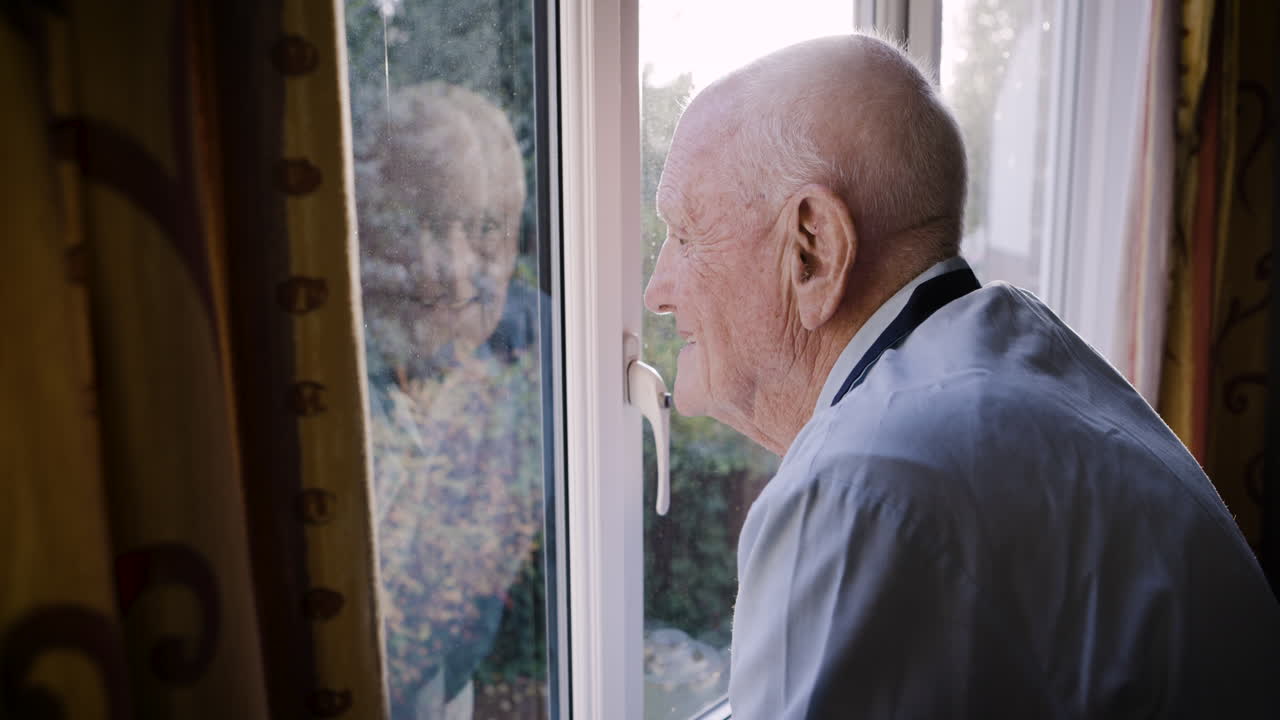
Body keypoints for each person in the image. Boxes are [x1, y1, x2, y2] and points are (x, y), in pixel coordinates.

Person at [643, 33, 1280, 718]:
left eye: (685, 237)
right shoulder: (1019, 356)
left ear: (813, 249)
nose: (658, 290)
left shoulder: (861, 480)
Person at [358, 81, 544, 720]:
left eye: (486, 228)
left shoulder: (537, 342)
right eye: (425, 226)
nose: (457, 271)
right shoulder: (330, 386)